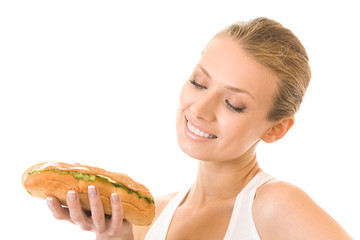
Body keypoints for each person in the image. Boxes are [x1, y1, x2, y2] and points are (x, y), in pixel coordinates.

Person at [46, 17, 353, 239]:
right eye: (199, 83)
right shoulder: (146, 219)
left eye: (233, 103)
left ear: (276, 129)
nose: (199, 109)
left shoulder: (275, 206)